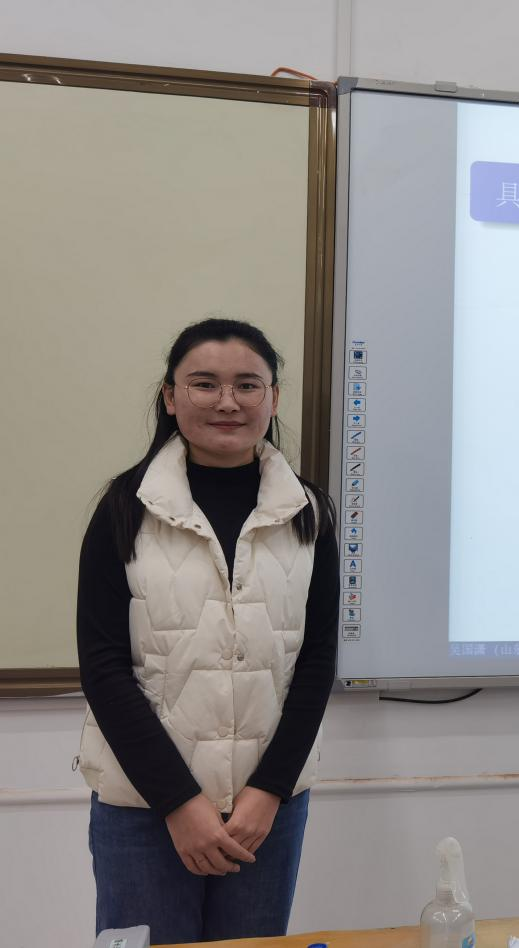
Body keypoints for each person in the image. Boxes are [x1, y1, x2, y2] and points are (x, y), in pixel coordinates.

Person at [75, 318, 338, 943]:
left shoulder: (307, 513)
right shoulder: (124, 508)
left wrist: (269, 791)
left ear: (273, 398)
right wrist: (180, 802)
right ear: (171, 396)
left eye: (247, 385)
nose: (227, 401)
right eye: (204, 384)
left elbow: (316, 660)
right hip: (145, 808)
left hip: (264, 810)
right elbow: (104, 667)